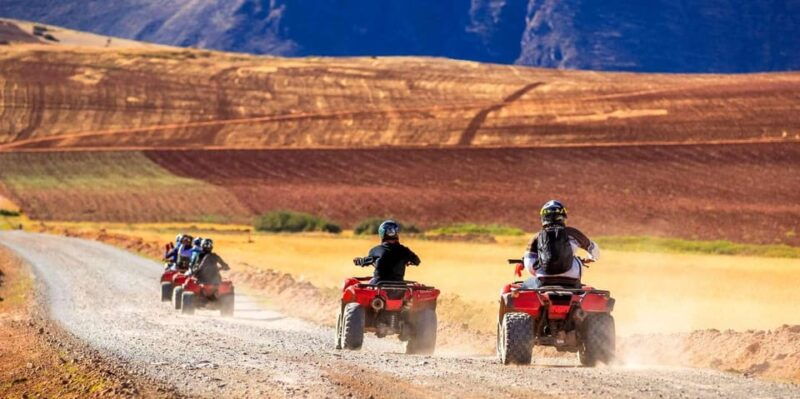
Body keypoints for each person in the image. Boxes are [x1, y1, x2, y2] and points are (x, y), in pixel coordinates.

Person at [521, 200, 600, 288]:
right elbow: (594, 250)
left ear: (543, 217)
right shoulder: (573, 233)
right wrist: (590, 258)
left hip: (544, 280)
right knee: (575, 259)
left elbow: (529, 263)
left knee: (525, 285)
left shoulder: (537, 236)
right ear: (563, 217)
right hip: (572, 280)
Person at [353, 220, 420, 284]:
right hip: (400, 289)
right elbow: (417, 261)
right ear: (396, 233)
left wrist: (359, 261)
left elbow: (366, 261)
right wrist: (409, 261)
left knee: (351, 282)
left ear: (382, 233)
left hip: (379, 287)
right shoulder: (405, 251)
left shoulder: (375, 250)